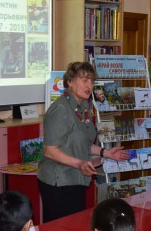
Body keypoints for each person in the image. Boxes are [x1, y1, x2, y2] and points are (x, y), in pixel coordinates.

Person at [38, 62, 128, 222]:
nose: (89, 86)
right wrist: (79, 163)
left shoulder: (84, 106)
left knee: (74, 229)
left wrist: (106, 153)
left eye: (92, 82)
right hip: (58, 182)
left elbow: (83, 143)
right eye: (84, 80)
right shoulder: (60, 110)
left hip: (77, 177)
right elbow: (50, 150)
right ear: (70, 81)